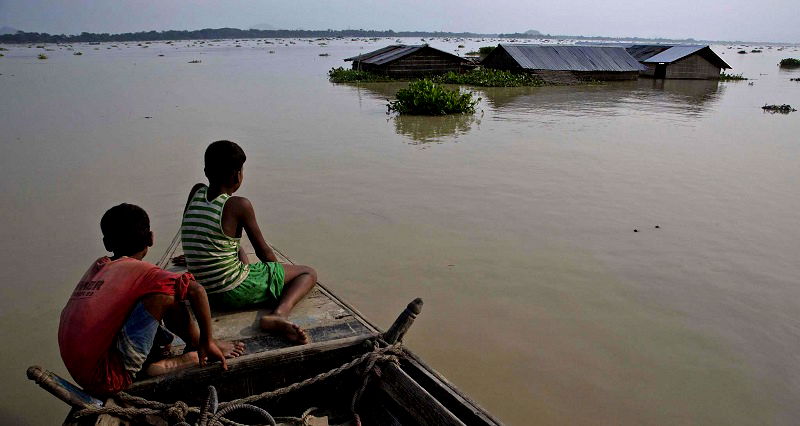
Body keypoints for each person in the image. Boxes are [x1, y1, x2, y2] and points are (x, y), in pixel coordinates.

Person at [58, 203, 245, 395]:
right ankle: (190, 351)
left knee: (160, 289)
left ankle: (184, 345)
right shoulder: (144, 273)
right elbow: (197, 290)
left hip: (79, 369)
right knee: (168, 292)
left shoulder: (100, 266)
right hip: (109, 377)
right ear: (151, 238)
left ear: (107, 244)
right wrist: (209, 341)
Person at [178, 140, 316, 344]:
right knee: (308, 273)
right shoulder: (238, 205)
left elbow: (198, 230)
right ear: (237, 176)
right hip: (229, 292)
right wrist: (277, 276)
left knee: (238, 247)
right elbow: (264, 253)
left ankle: (247, 277)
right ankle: (278, 315)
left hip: (203, 291)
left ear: (206, 172)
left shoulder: (196, 191)